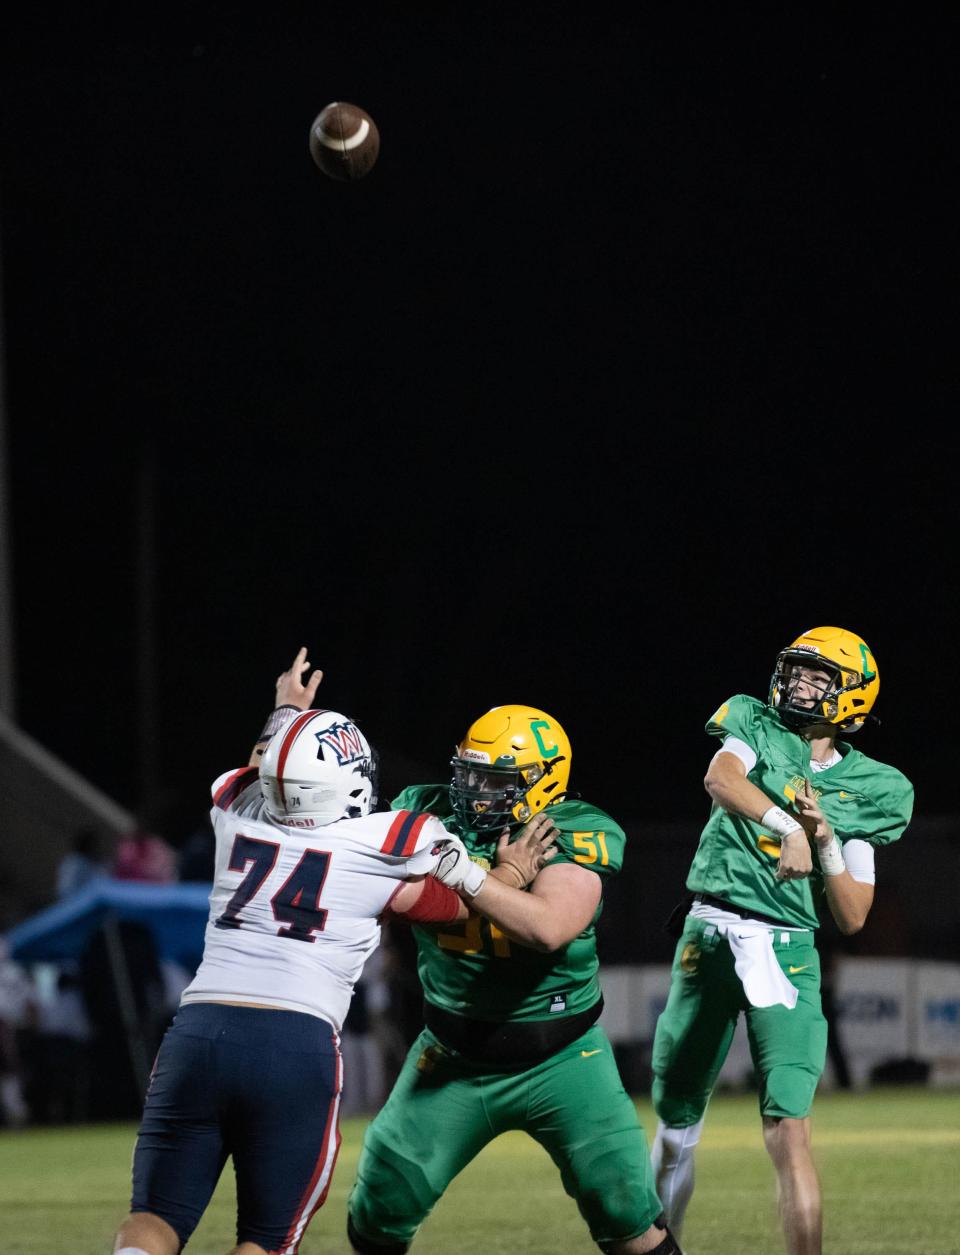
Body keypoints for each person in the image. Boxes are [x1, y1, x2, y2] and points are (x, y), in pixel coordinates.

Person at [111, 649, 558, 1255]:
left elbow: (256, 773)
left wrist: (283, 715)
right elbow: (469, 903)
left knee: (153, 1220)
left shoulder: (234, 817)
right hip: (292, 1045)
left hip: (197, 1032)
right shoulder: (389, 844)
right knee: (266, 1239)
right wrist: (507, 869)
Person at [346, 704, 679, 1255]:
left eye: (495, 781)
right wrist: (503, 875)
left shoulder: (573, 830)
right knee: (380, 1206)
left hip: (565, 1058)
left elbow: (548, 929)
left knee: (625, 1210)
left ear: (544, 782)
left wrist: (467, 875)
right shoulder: (425, 811)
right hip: (453, 1055)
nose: (474, 790)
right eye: (469, 774)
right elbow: (388, 894)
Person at [649, 626, 913, 1255]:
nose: (799, 683)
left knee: (790, 1128)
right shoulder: (755, 722)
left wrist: (822, 839)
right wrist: (784, 824)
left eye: (818, 676)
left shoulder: (875, 787)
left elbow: (851, 915)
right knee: (675, 1119)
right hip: (709, 929)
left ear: (852, 697)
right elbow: (722, 777)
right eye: (796, 670)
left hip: (788, 948)